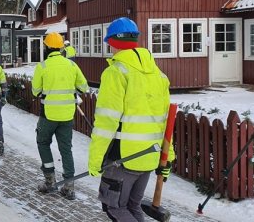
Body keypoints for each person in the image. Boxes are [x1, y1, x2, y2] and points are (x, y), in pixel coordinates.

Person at [88, 17, 174, 221]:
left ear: (112, 42)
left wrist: (95, 160)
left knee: (115, 207)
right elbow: (165, 122)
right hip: (148, 156)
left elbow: (105, 123)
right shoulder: (159, 75)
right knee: (133, 207)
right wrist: (167, 156)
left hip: (122, 158)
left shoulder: (116, 72)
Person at [32, 32, 89, 200]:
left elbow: (35, 91)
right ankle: (69, 187)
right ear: (62, 47)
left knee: (43, 143)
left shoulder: (42, 66)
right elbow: (84, 87)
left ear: (47, 47)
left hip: (48, 115)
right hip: (67, 115)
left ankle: (50, 182)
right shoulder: (71, 65)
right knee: (66, 149)